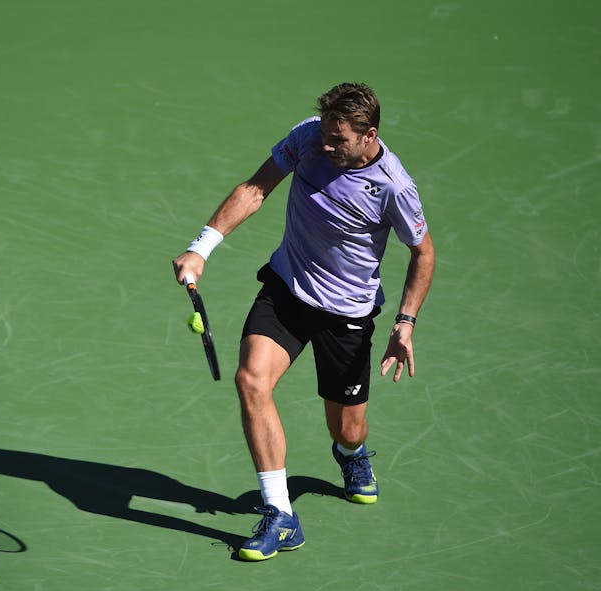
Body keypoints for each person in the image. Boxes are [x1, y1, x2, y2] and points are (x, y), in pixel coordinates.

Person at [171, 82, 435, 562]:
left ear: (369, 135)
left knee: (347, 430)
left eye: (338, 140)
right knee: (251, 380)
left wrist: (405, 322)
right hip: (288, 289)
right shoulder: (308, 138)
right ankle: (281, 515)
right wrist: (201, 247)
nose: (325, 145)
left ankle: (352, 457)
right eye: (324, 134)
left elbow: (423, 252)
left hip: (348, 312)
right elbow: (256, 188)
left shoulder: (394, 187)